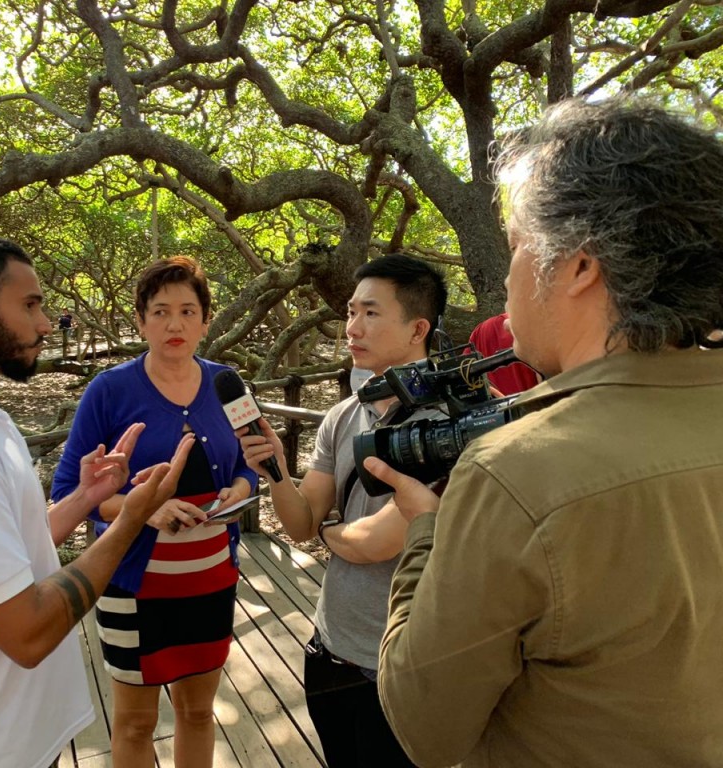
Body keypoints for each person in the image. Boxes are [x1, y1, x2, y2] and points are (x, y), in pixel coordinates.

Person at [370, 99, 723, 768]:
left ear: (580, 264)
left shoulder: (518, 472)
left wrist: (425, 533)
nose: (505, 278)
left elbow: (424, 727)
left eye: (515, 245)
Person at [0, 233, 194, 768]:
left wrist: (83, 500)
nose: (46, 324)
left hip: (6, 737)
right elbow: (25, 632)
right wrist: (131, 521)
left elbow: (9, 550)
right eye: (30, 305)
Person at [238, 253, 447, 767]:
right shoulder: (343, 415)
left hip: (402, 661)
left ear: (418, 327)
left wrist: (327, 530)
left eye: (371, 313)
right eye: (351, 312)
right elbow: (300, 520)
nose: (352, 327)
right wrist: (278, 473)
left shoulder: (447, 425)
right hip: (329, 648)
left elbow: (375, 542)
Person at [51, 256, 257, 768]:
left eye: (189, 311)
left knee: (197, 712)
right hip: (132, 585)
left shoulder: (226, 382)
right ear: (141, 321)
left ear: (206, 321)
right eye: (160, 311)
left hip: (211, 580)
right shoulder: (109, 390)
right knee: (136, 723)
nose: (175, 324)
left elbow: (253, 463)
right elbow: (71, 491)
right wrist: (144, 511)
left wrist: (239, 485)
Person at [469, 311, 540, 395]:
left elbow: (465, 374)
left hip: (494, 405)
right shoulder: (534, 326)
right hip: (534, 404)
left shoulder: (480, 330)